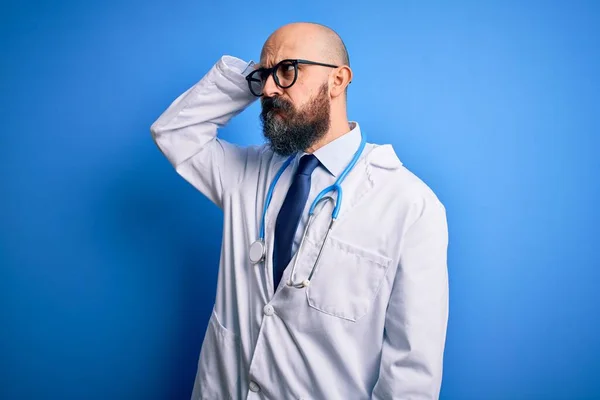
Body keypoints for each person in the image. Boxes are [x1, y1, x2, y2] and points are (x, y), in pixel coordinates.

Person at [150, 21, 449, 400]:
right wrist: (251, 76)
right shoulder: (247, 174)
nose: (270, 89)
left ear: (338, 81)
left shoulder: (410, 205)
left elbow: (411, 377)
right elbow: (175, 133)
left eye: (288, 71)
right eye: (265, 77)